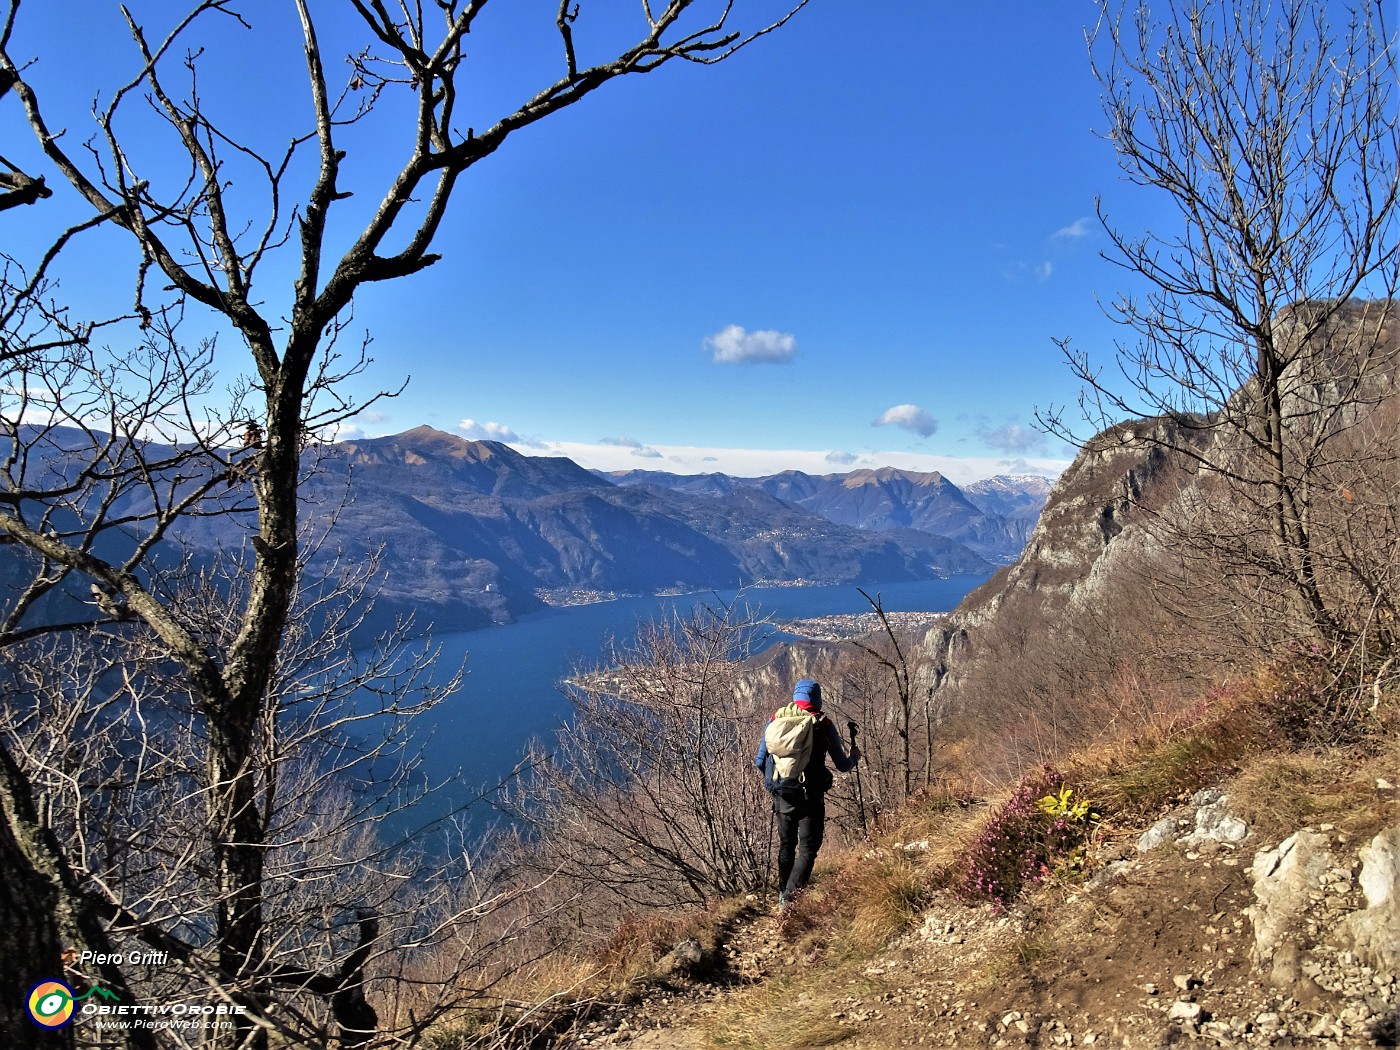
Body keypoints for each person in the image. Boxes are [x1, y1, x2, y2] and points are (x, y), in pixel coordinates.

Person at [754, 678, 859, 908]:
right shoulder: (823, 724)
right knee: (808, 848)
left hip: (783, 794)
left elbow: (760, 761)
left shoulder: (776, 720)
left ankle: (783, 892)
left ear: (796, 697)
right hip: (810, 796)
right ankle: (790, 901)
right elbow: (842, 765)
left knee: (786, 845)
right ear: (817, 699)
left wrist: (778, 781)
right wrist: (854, 758)